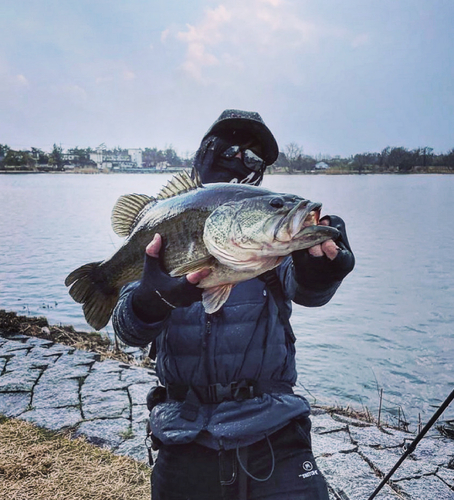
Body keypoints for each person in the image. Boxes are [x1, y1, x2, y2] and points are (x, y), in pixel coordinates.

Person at [112, 109, 355, 500]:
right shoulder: (164, 226)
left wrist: (322, 269)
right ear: (204, 152)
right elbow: (127, 331)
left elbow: (308, 291)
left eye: (255, 157)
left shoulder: (269, 245)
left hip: (274, 428)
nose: (241, 159)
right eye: (228, 147)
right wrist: (148, 299)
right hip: (182, 432)